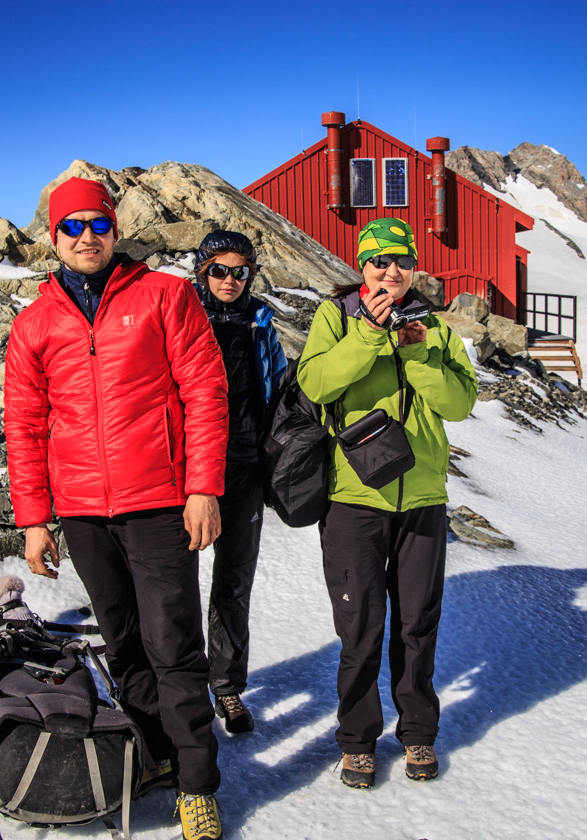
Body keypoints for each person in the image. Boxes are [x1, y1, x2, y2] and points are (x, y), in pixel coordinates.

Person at [4, 176, 228, 840]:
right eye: (71, 227)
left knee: (173, 647)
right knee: (125, 645)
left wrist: (203, 487)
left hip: (159, 500)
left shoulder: (165, 296)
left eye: (96, 224)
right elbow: (25, 426)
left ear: (115, 229)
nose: (86, 238)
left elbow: (206, 393)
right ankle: (154, 758)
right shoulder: (34, 323)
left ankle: (197, 783)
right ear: (55, 237)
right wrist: (34, 519)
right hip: (80, 510)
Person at [296, 218, 477, 789]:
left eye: (400, 260)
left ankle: (418, 732)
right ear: (361, 266)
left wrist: (418, 353)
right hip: (355, 499)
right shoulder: (336, 316)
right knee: (361, 626)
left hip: (422, 497)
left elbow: (459, 404)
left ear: (414, 266)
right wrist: (370, 338)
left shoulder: (434, 326)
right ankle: (357, 740)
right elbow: (316, 384)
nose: (389, 271)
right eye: (377, 261)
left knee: (419, 623)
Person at [191, 230, 287, 735]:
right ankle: (183, 686)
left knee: (234, 581)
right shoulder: (182, 317)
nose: (230, 280)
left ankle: (226, 688)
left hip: (246, 466)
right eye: (219, 270)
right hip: (185, 473)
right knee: (176, 584)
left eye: (240, 271)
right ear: (202, 271)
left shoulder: (261, 322)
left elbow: (277, 384)